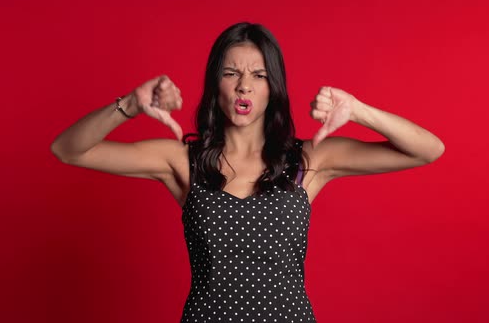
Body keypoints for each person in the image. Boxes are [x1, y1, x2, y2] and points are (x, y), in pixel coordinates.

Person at [51, 22, 444, 322]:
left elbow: (428, 150)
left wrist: (358, 110)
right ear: (215, 85)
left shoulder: (309, 160)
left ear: (273, 87)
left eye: (258, 75)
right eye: (230, 73)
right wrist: (130, 106)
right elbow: (67, 150)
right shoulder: (181, 161)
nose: (244, 87)